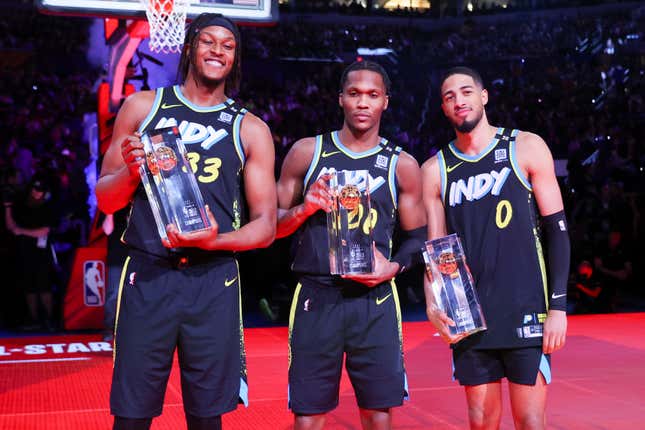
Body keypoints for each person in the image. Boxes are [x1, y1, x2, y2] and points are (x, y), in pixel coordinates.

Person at [95, 14, 276, 430]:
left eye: (227, 45)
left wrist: (214, 241)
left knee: (206, 416)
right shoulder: (143, 106)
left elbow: (266, 226)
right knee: (131, 415)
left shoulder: (250, 128)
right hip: (149, 273)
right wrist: (129, 173)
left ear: (236, 57)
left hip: (213, 279)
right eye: (208, 41)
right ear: (190, 46)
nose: (217, 50)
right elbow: (106, 200)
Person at [276, 60, 426, 430]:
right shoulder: (307, 152)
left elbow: (419, 237)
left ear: (385, 102)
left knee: (378, 412)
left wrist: (393, 268)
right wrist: (303, 208)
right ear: (340, 98)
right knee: (309, 414)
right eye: (355, 94)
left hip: (374, 302)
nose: (363, 102)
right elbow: (271, 226)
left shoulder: (402, 164)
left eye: (372, 95)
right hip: (317, 295)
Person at [421, 66, 569, 430]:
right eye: (450, 96)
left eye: (467, 92)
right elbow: (436, 251)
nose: (460, 101)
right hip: (470, 316)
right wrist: (432, 302)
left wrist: (559, 308)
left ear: (483, 96)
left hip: (526, 309)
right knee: (481, 421)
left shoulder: (526, 147)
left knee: (530, 420)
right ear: (443, 108)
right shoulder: (435, 169)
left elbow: (558, 231)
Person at [4, 176, 56, 331]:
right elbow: (11, 228)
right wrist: (7, 208)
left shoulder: (47, 207)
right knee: (29, 288)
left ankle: (49, 319)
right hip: (25, 252)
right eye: (35, 189)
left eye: (40, 190)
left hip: (42, 253)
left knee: (44, 286)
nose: (37, 193)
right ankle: (34, 320)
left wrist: (22, 231)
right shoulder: (22, 206)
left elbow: (44, 231)